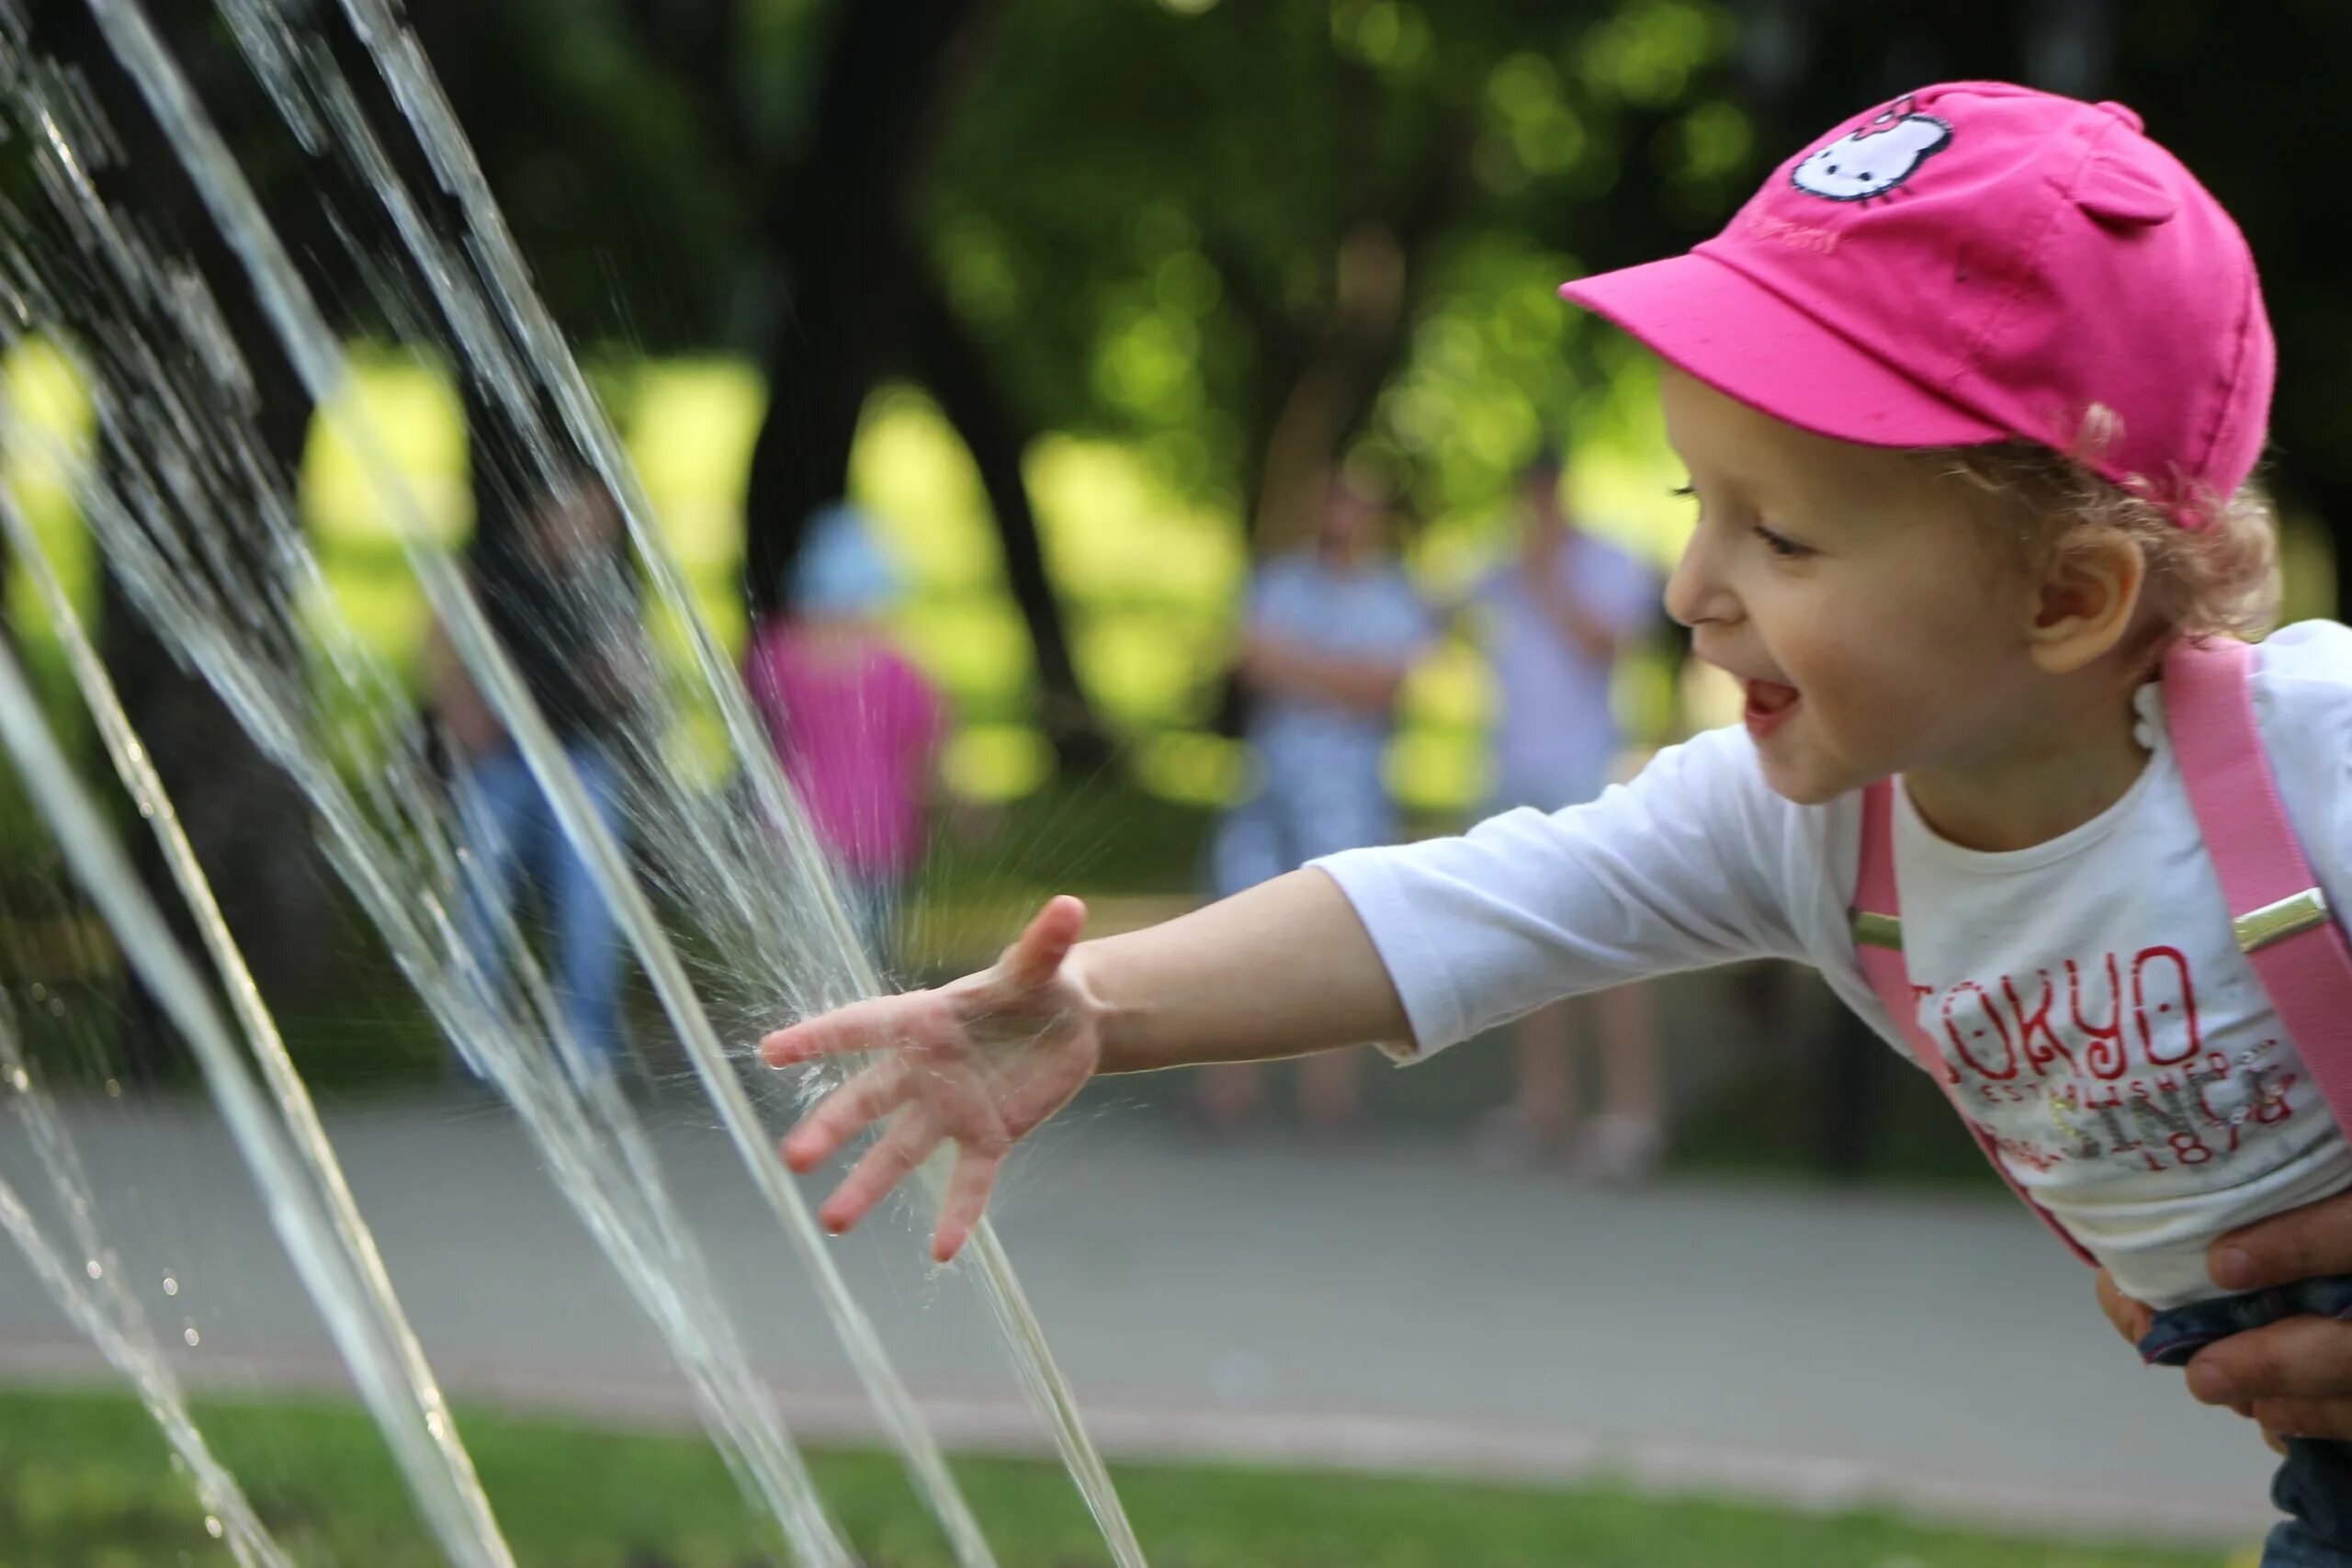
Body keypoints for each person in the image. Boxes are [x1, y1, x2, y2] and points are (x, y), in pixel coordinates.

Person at [762, 85, 2352, 1557]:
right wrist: (1097, 1005)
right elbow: (1458, 907)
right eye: (1694, 506)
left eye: (1782, 534)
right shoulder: (1815, 828)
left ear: (2070, 595)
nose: (1687, 591)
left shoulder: (2309, 761)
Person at [1192, 477, 1434, 1135]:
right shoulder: (1281, 579)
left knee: (1340, 937)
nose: (1341, 516)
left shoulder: (1393, 592)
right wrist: (1339, 674)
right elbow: (1250, 661)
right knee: (1236, 927)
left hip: (1350, 794)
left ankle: (1328, 1097)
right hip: (1272, 784)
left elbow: (1382, 687)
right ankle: (1230, 1089)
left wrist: (1296, 664)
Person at [1468, 455, 1665, 1179]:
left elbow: (1602, 644)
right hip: (1511, 770)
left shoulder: (1608, 561)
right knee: (1526, 946)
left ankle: (1631, 1113)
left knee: (1612, 948)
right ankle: (1544, 1102)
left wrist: (1547, 575)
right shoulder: (1499, 565)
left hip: (1587, 773)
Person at [432, 473, 640, 1082]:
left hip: (579, 753)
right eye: (586, 514)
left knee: (591, 898)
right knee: (482, 897)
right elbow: (440, 636)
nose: (596, 530)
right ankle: (475, 1047)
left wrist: (624, 678)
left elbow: (633, 653)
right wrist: (459, 706)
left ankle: (587, 1048)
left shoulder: (607, 575)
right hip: (500, 758)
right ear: (553, 505)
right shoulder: (497, 563)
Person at [743, 502, 944, 968]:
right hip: (878, 828)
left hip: (793, 824)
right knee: (866, 956)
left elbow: (759, 722)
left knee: (805, 959)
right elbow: (925, 752)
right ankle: (856, 1037)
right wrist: (956, 807)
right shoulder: (898, 668)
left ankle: (806, 1037)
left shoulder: (774, 653)